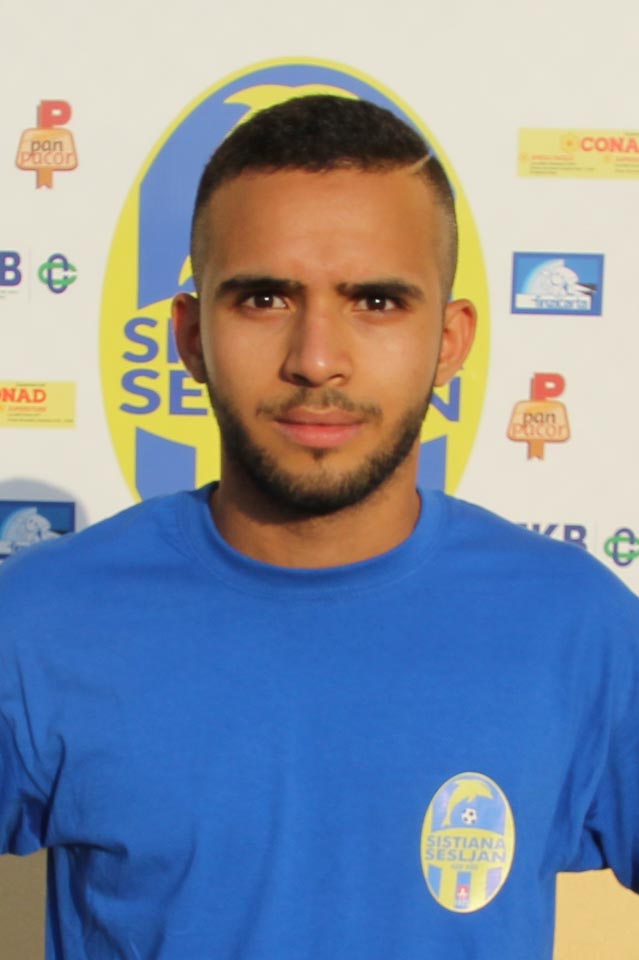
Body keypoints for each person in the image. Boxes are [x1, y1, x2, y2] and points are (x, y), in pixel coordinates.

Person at [1, 95, 638, 960]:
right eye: (264, 298)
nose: (316, 359)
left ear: (449, 341)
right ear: (191, 336)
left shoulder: (579, 626)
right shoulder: (42, 619)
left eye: (375, 301)